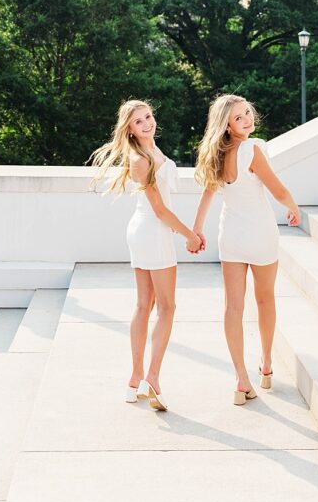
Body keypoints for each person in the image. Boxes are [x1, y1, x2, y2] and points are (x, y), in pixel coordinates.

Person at [90, 99, 202, 410]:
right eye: (139, 121)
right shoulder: (140, 159)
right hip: (153, 230)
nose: (147, 123)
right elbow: (161, 210)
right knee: (165, 306)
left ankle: (135, 379)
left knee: (145, 304)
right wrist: (190, 235)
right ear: (130, 128)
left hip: (145, 230)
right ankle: (151, 377)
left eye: (149, 117)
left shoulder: (150, 151)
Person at [192, 94, 300, 404]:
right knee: (265, 300)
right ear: (227, 124)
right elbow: (276, 188)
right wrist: (293, 205)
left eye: (248, 113)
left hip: (232, 239)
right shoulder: (253, 148)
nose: (248, 119)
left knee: (233, 307)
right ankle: (265, 365)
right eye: (239, 117)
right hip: (261, 235)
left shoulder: (216, 152)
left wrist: (197, 229)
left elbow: (207, 197)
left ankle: (241, 378)